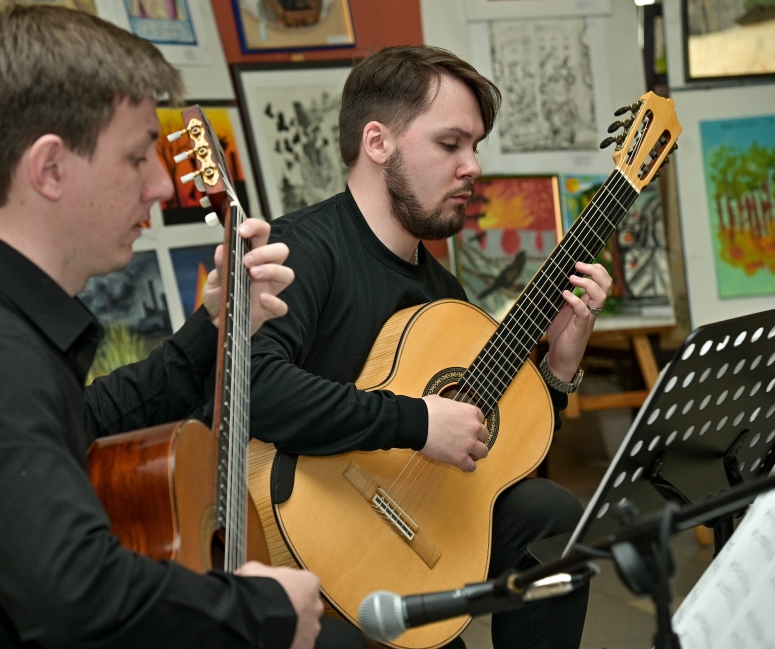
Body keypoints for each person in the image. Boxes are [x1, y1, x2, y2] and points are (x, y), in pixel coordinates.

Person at [0, 5, 366, 649]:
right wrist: (259, 611)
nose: (161, 185)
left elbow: (89, 421)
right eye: (137, 156)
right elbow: (78, 596)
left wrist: (216, 324)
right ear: (50, 169)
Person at [247, 46, 612, 649]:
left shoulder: (444, 293)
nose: (472, 167)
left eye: (476, 147)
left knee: (550, 518)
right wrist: (416, 421)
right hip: (302, 531)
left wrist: (559, 367)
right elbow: (253, 388)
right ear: (377, 143)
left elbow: (494, 444)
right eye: (450, 144)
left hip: (409, 526)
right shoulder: (302, 252)